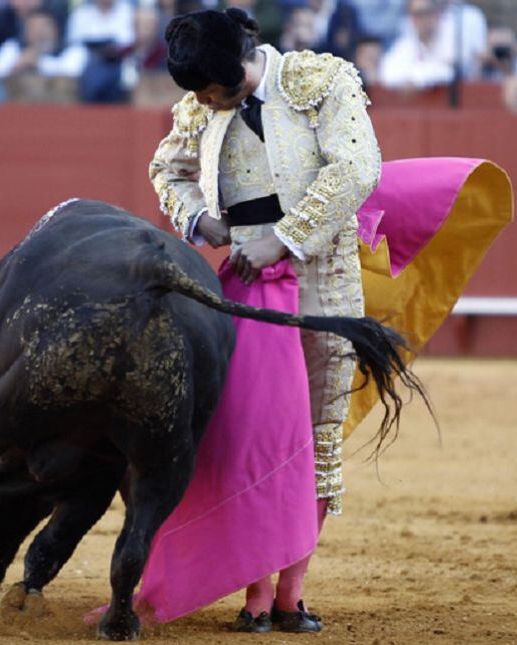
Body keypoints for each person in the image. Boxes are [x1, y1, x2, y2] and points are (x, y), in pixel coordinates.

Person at [149, 7, 380, 631]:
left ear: (238, 69)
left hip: (323, 280)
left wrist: (284, 238)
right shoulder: (201, 104)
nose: (200, 102)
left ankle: (290, 592)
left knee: (317, 437)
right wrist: (202, 220)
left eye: (208, 91)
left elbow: (357, 168)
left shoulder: (319, 81)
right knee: (251, 436)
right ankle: (254, 595)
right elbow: (167, 170)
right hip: (244, 288)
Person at [379, 0, 453, 89]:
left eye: (426, 12)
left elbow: (449, 71)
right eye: (417, 15)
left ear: (437, 14)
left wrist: (416, 79)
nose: (422, 19)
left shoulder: (450, 35)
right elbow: (387, 73)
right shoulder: (406, 44)